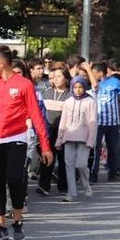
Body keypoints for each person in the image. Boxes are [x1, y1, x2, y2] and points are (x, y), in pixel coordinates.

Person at [0, 45, 52, 240]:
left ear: (1, 63)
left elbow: (36, 115)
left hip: (16, 138)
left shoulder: (24, 84)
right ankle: (0, 225)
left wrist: (46, 145)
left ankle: (17, 221)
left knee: (15, 179)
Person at [56, 76, 97, 201]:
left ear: (84, 87)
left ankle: (86, 186)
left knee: (81, 164)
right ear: (72, 88)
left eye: (80, 87)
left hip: (84, 138)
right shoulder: (68, 102)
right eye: (75, 87)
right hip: (69, 138)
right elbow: (63, 121)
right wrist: (59, 139)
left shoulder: (90, 102)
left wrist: (91, 140)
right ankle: (71, 193)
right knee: (69, 165)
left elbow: (93, 122)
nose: (78, 90)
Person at [89, 62, 120, 182]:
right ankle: (93, 174)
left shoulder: (114, 82)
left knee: (112, 148)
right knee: (96, 148)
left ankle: (112, 173)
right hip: (98, 121)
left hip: (113, 121)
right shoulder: (94, 84)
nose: (92, 75)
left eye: (94, 72)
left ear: (100, 73)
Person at [36, 67, 71, 197]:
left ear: (66, 79)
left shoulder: (70, 96)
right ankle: (44, 186)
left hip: (64, 132)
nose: (55, 79)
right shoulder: (47, 92)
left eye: (59, 76)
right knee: (47, 159)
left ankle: (63, 186)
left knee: (63, 160)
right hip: (48, 132)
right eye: (54, 76)